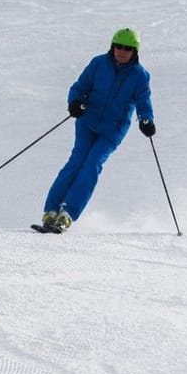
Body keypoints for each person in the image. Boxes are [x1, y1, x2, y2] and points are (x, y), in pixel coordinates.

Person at [38, 28, 154, 233]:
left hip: (112, 130)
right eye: (119, 46)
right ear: (112, 46)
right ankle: (50, 211)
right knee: (76, 162)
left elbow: (143, 101)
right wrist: (75, 102)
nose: (122, 52)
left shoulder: (140, 76)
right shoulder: (98, 64)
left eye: (128, 48)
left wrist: (146, 120)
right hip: (87, 122)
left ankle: (67, 214)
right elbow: (80, 87)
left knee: (92, 164)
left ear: (135, 52)